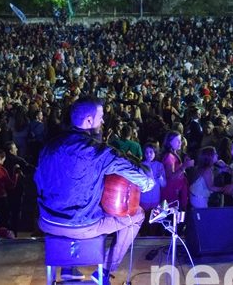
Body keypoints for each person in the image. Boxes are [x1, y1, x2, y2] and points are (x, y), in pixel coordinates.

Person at [35, 96, 154, 285]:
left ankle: (68, 269)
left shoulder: (49, 145)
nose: (103, 121)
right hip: (82, 226)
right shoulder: (99, 152)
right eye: (101, 117)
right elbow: (146, 182)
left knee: (91, 207)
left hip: (47, 221)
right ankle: (105, 270)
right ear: (89, 121)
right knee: (137, 215)